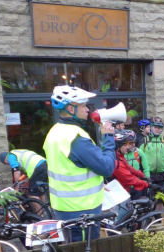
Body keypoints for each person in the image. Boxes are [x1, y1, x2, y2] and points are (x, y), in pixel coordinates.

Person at [44, 86, 116, 242]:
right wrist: (108, 137)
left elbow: (67, 167)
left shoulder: (54, 132)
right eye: (83, 106)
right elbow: (107, 167)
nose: (88, 110)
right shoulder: (76, 138)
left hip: (64, 207)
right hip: (82, 211)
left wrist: (92, 180)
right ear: (71, 108)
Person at [112, 130, 150, 200]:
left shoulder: (119, 156)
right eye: (125, 145)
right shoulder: (116, 162)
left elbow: (130, 168)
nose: (127, 147)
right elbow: (129, 178)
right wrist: (147, 185)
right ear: (118, 146)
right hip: (119, 194)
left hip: (124, 190)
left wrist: (143, 176)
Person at [144, 116, 164, 190]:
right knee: (150, 199)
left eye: (159, 128)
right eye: (155, 127)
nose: (157, 129)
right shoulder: (145, 140)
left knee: (161, 199)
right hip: (149, 175)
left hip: (162, 175)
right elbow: (139, 158)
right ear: (151, 127)